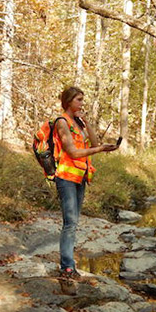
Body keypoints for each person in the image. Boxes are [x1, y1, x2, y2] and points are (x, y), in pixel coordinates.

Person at [53, 86, 118, 279]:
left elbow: (95, 144)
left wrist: (87, 123)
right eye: (79, 100)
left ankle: (68, 264)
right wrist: (99, 150)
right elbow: (73, 152)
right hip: (66, 177)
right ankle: (67, 267)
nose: (82, 103)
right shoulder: (62, 122)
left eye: (82, 100)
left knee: (74, 222)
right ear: (69, 101)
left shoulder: (78, 123)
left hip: (80, 177)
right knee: (70, 222)